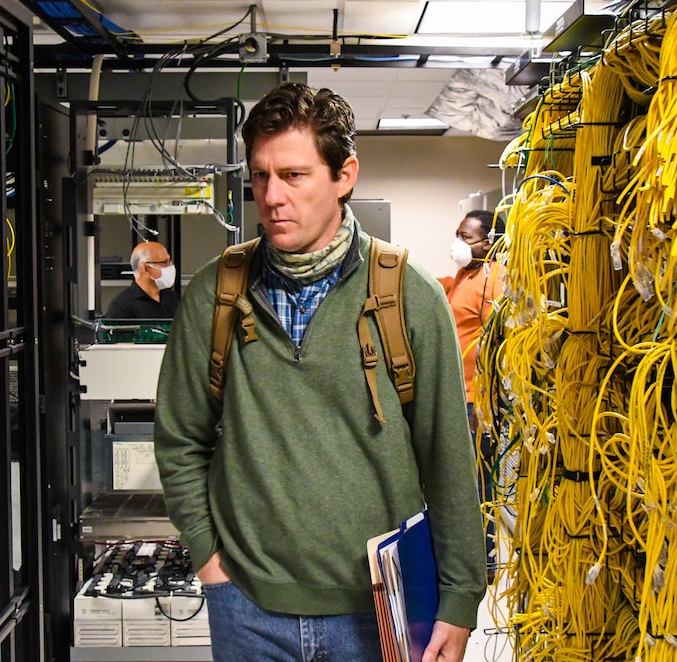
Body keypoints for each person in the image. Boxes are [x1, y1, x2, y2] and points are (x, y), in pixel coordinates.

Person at [155, 83, 486, 661]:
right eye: (260, 176)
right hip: (249, 607)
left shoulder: (408, 295)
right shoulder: (217, 292)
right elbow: (180, 438)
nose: (272, 197)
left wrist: (459, 600)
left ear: (345, 175)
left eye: (294, 175)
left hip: (379, 611)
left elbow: (449, 460)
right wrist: (209, 559)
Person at [438, 209, 506, 580]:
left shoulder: (494, 281)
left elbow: (497, 348)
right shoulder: (469, 274)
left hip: (474, 402)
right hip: (457, 397)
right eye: (458, 234)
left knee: (477, 485)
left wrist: (484, 403)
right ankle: (466, 557)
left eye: (467, 237)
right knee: (459, 484)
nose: (459, 243)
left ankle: (485, 561)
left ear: (489, 242)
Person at [103, 240, 179, 319]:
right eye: (164, 262)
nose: (170, 266)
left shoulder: (173, 298)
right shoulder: (121, 307)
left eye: (170, 261)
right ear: (144, 267)